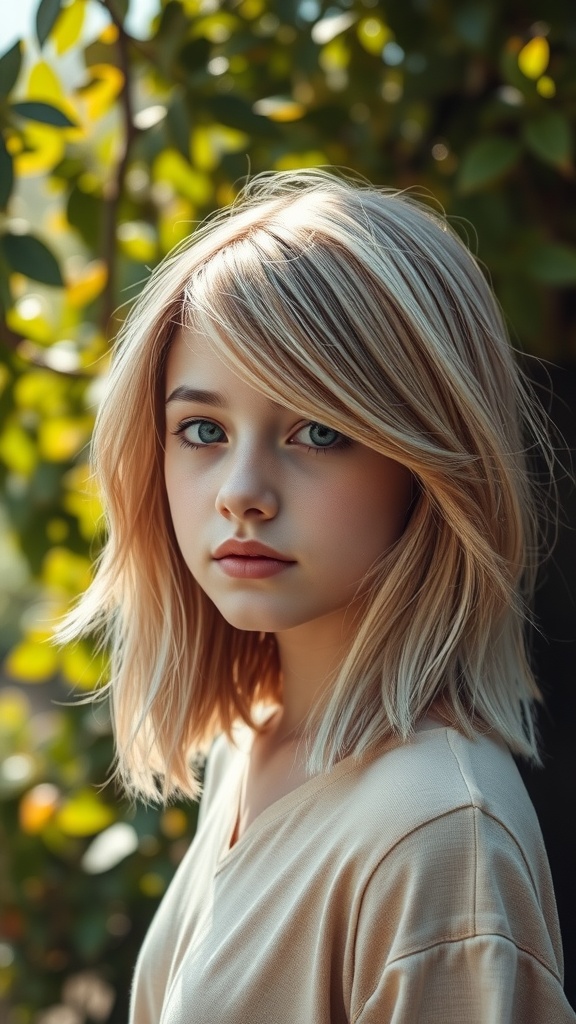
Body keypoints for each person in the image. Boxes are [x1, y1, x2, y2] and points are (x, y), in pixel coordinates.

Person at [60, 169, 575, 1022]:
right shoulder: (251, 742)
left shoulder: (440, 835)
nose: (242, 491)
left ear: (430, 461)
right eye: (203, 430)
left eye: (319, 431)